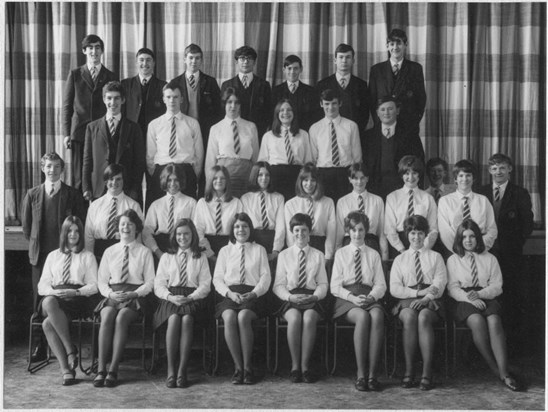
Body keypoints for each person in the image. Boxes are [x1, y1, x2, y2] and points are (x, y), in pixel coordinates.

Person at [22, 152, 86, 362]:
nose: (53, 170)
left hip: (64, 256)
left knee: (62, 301)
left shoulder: (72, 194)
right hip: (41, 258)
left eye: (57, 166)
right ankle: (41, 345)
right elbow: (27, 228)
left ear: (62, 168)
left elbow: (78, 225)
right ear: (43, 168)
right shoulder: (32, 194)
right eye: (49, 166)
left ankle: (65, 344)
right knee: (39, 300)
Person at [447, 219, 522, 392]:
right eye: (464, 237)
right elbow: (452, 288)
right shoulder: (453, 260)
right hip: (464, 299)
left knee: (494, 321)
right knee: (477, 321)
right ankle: (494, 368)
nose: (468, 240)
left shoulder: (490, 258)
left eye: (472, 236)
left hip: (485, 294)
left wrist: (480, 294)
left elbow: (497, 285)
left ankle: (505, 373)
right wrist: (470, 298)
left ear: (478, 238)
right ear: (459, 239)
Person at [478, 153, 534, 355]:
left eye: (502, 168)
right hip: (484, 255)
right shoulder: (481, 192)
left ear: (510, 169)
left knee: (510, 297)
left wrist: (511, 245)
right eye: (493, 168)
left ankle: (511, 348)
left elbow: (526, 225)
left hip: (510, 257)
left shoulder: (520, 193)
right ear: (489, 170)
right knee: (485, 297)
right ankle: (483, 347)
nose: (498, 172)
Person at [93, 209, 155, 388]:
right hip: (113, 294)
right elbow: (102, 281)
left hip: (135, 296)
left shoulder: (144, 252)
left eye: (130, 224)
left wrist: (135, 294)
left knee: (121, 318)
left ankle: (113, 369)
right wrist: (110, 294)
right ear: (117, 228)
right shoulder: (109, 251)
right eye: (122, 224)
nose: (126, 227)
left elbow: (150, 282)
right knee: (107, 315)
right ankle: (101, 369)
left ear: (137, 228)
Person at [37, 216, 98, 385]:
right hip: (54, 297)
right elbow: (42, 284)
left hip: (76, 299)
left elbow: (94, 285)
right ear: (64, 233)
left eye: (77, 231)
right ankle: (70, 349)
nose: (73, 234)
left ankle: (66, 370)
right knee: (48, 302)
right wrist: (55, 293)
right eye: (69, 230)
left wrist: (76, 292)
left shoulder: (88, 257)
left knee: (47, 324)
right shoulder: (52, 256)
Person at [213, 213, 271, 385]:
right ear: (232, 229)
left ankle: (248, 368)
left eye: (245, 226)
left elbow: (265, 277)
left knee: (243, 316)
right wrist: (229, 294)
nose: (241, 230)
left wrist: (254, 293)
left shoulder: (259, 249)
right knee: (230, 316)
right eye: (237, 226)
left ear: (250, 229)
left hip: (253, 294)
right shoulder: (225, 251)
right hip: (230, 294)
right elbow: (217, 279)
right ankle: (238, 368)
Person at [389, 215, 447, 391]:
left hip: (432, 300)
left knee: (423, 317)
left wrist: (425, 298)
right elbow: (395, 288)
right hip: (408, 299)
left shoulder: (435, 257)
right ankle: (409, 370)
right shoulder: (400, 259)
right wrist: (417, 293)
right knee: (408, 316)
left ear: (426, 234)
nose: (416, 237)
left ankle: (427, 372)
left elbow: (440, 284)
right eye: (413, 233)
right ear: (407, 234)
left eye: (420, 233)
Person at [331, 211, 386, 391]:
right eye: (353, 230)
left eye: (361, 229)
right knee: (363, 317)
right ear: (348, 231)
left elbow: (380, 285)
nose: (357, 234)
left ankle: (373, 374)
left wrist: (371, 297)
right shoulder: (341, 254)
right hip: (347, 297)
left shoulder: (373, 254)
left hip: (369, 295)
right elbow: (335, 287)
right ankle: (361, 374)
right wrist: (353, 298)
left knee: (377, 315)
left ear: (366, 230)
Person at [153, 218, 211, 388]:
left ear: (192, 235)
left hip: (194, 297)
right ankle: (171, 370)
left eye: (186, 233)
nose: (182, 237)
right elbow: (158, 284)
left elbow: (206, 285)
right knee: (173, 318)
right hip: (171, 296)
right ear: (174, 236)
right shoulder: (167, 256)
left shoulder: (200, 257)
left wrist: (191, 297)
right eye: (179, 234)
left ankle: (182, 371)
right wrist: (171, 297)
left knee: (186, 319)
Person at [273, 213, 328, 383]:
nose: (300, 234)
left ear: (309, 232)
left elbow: (323, 284)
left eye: (304, 230)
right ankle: (295, 366)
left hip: (312, 297)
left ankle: (305, 367)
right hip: (291, 299)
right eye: (296, 230)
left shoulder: (318, 255)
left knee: (309, 318)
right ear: (292, 232)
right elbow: (278, 285)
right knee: (295, 318)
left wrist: (315, 297)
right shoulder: (284, 255)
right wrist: (290, 298)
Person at [62, 34, 117, 190]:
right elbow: (67, 106)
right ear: (84, 51)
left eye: (97, 47)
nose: (94, 51)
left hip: (102, 132)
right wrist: (67, 133)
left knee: (102, 175)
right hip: (79, 133)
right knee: (79, 179)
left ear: (102, 51)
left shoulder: (111, 76)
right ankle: (80, 213)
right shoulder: (75, 74)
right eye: (90, 48)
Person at [171, 44, 222, 198]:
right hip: (183, 134)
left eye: (197, 58)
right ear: (185, 59)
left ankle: (202, 201)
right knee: (186, 170)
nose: (194, 61)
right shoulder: (175, 83)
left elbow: (218, 112)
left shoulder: (210, 82)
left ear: (201, 60)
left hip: (205, 133)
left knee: (205, 170)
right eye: (191, 58)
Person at [82, 81, 145, 203]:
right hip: (99, 189)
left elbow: (139, 163)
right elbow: (87, 161)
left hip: (127, 189)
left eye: (117, 98)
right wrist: (86, 187)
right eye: (109, 98)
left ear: (123, 100)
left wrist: (134, 189)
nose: (112, 103)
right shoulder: (92, 128)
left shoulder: (134, 128)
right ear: (104, 99)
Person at [146, 81, 203, 205]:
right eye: (168, 97)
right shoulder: (154, 124)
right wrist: (158, 173)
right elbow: (150, 156)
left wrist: (193, 174)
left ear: (182, 99)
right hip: (162, 171)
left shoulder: (192, 124)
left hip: (185, 171)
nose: (172, 100)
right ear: (163, 99)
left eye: (176, 97)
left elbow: (199, 154)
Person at [362, 96, 425, 200]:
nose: (386, 113)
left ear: (397, 111)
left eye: (390, 109)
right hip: (375, 189)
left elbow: (419, 162)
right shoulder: (368, 136)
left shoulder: (410, 135)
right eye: (382, 109)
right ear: (377, 113)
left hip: (401, 187)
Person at [369, 28, 426, 136]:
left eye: (399, 43)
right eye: (392, 44)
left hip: (408, 128)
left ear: (405, 45)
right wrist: (380, 121)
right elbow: (372, 100)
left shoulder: (415, 69)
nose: (395, 47)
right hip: (383, 127)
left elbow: (421, 99)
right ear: (387, 46)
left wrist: (412, 123)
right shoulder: (376, 70)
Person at [309, 88, 362, 203]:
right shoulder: (315, 128)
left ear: (340, 103)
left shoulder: (351, 126)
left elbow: (357, 157)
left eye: (334, 103)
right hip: (323, 173)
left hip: (345, 173)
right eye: (327, 104)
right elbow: (313, 158)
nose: (331, 107)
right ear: (321, 104)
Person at [205, 87, 259, 198]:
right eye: (229, 102)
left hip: (246, 176)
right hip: (224, 177)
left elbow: (256, 158)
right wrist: (210, 184)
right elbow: (210, 161)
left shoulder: (251, 127)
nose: (233, 106)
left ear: (240, 105)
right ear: (224, 104)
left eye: (237, 102)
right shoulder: (216, 128)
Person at [84, 164, 143, 260]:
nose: (114, 182)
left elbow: (138, 237)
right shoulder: (95, 205)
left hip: (125, 254)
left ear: (124, 181)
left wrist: (136, 260)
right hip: (99, 254)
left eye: (118, 179)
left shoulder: (133, 206)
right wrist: (90, 259)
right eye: (111, 179)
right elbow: (88, 236)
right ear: (106, 181)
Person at [257, 99, 313, 201]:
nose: (285, 113)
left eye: (289, 110)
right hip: (275, 176)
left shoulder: (303, 134)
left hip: (297, 175)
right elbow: (262, 162)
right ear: (277, 114)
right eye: (282, 110)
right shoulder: (268, 136)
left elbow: (308, 161)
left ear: (294, 113)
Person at [438, 159, 497, 252]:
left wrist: (479, 248)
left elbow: (492, 230)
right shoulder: (445, 201)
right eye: (461, 175)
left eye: (468, 175)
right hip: (455, 252)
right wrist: (459, 250)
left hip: (480, 251)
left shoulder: (483, 200)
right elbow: (445, 232)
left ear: (473, 178)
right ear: (455, 179)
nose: (465, 179)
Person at [384, 155, 437, 258]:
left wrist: (423, 248)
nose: (411, 177)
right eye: (407, 173)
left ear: (419, 175)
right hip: (399, 245)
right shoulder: (392, 197)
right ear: (401, 175)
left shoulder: (428, 198)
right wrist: (402, 250)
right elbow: (389, 229)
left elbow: (433, 229)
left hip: (422, 242)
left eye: (414, 173)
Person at [143, 164, 197, 262]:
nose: (172, 183)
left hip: (183, 244)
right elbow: (146, 232)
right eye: (169, 180)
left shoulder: (191, 203)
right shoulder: (156, 204)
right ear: (164, 181)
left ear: (181, 181)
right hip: (161, 246)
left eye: (176, 180)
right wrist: (157, 252)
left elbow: (195, 230)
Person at [284, 163, 336, 265]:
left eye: (313, 180)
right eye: (305, 180)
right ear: (300, 181)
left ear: (318, 182)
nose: (309, 184)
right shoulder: (290, 204)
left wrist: (328, 256)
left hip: (320, 245)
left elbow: (331, 232)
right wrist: (294, 253)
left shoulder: (328, 202)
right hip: (299, 244)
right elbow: (290, 234)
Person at [336, 163, 388, 260]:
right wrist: (338, 257)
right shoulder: (342, 202)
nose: (359, 181)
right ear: (350, 179)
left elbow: (381, 233)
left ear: (367, 179)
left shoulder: (377, 200)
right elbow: (339, 234)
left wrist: (384, 259)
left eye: (362, 177)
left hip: (371, 244)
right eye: (355, 178)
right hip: (349, 244)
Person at [316, 43, 369, 135]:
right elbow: (318, 113)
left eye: (348, 57)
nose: (344, 61)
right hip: (328, 134)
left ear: (353, 61)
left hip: (354, 134)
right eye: (341, 57)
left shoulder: (361, 85)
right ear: (335, 60)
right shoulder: (322, 85)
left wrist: (355, 132)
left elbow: (365, 114)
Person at [221, 45, 272, 139]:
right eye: (242, 58)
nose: (246, 61)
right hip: (233, 132)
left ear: (254, 62)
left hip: (257, 133)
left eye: (249, 58)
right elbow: (222, 111)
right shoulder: (226, 85)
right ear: (236, 61)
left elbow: (268, 112)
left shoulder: (264, 85)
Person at [193, 165, 243, 259]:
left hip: (230, 245)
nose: (219, 181)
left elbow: (238, 229)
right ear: (210, 180)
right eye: (215, 178)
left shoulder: (236, 202)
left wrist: (229, 251)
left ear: (227, 181)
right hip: (206, 245)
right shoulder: (202, 203)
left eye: (223, 178)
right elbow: (198, 230)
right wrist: (209, 253)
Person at [241, 162, 285, 262]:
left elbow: (281, 226)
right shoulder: (246, 198)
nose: (264, 178)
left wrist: (276, 250)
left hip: (272, 239)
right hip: (253, 239)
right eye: (260, 175)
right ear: (254, 176)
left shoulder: (278, 197)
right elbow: (245, 224)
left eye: (267, 175)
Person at [121, 47, 167, 138]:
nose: (145, 64)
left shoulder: (163, 86)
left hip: (155, 134)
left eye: (148, 60)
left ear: (154, 63)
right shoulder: (125, 84)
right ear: (136, 63)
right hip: (131, 134)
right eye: (141, 60)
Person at [271, 55, 320, 131]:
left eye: (296, 68)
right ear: (284, 70)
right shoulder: (275, 91)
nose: (292, 72)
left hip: (304, 134)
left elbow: (314, 117)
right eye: (289, 68)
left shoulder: (310, 91)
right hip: (282, 134)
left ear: (301, 69)